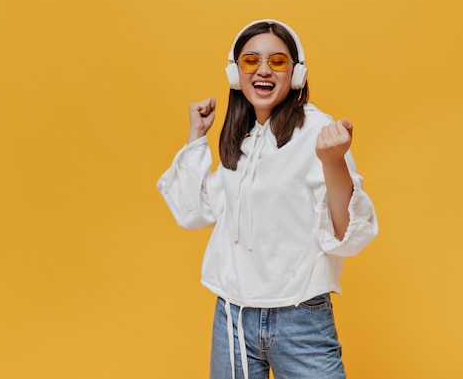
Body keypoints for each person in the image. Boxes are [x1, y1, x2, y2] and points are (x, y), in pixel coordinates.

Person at [157, 19, 378, 379]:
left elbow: (346, 236)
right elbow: (193, 213)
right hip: (232, 317)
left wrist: (334, 162)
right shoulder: (242, 137)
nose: (263, 70)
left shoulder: (317, 131)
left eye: (277, 61)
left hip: (299, 318)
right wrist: (197, 136)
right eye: (250, 61)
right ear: (235, 72)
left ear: (295, 74)